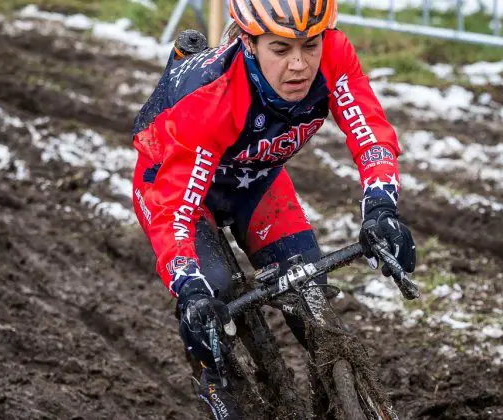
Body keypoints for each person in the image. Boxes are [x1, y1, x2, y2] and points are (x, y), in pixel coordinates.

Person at [131, 1, 416, 418]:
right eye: (280, 49)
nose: (299, 64)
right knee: (213, 289)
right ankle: (215, 380)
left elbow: (369, 132)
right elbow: (175, 210)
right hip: (172, 182)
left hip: (255, 180)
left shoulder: (334, 54)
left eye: (309, 45)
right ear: (248, 42)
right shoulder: (213, 97)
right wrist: (190, 291)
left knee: (310, 292)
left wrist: (381, 207)